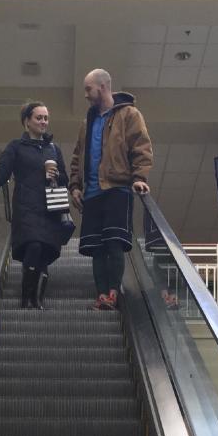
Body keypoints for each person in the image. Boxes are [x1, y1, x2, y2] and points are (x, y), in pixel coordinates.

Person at [0, 101, 72, 309]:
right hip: (26, 208)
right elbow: (2, 173)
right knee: (33, 246)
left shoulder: (54, 149)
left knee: (44, 251)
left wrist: (56, 175)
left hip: (50, 209)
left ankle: (37, 300)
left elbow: (65, 180)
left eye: (46, 118)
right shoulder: (16, 147)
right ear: (27, 121)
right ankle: (26, 298)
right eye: (39, 118)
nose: (43, 122)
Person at [69, 68, 152, 310]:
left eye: (88, 89)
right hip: (92, 193)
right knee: (96, 247)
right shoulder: (88, 121)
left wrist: (139, 177)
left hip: (118, 188)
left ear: (102, 87)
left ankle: (113, 293)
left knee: (114, 242)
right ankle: (101, 295)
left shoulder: (129, 114)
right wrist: (75, 185)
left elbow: (141, 146)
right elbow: (78, 156)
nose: (85, 94)